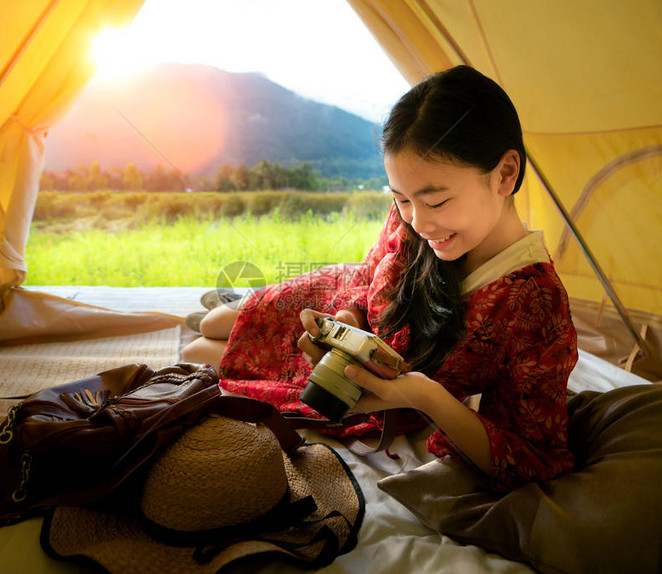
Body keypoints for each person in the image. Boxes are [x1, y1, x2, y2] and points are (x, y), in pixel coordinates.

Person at [181, 65, 576, 491]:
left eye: (437, 202)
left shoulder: (534, 302)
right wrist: (349, 318)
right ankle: (231, 303)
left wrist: (426, 397)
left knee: (200, 353)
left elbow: (535, 458)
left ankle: (231, 304)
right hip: (349, 301)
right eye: (401, 200)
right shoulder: (417, 211)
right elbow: (373, 267)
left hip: (379, 383)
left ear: (505, 174)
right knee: (211, 326)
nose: (417, 222)